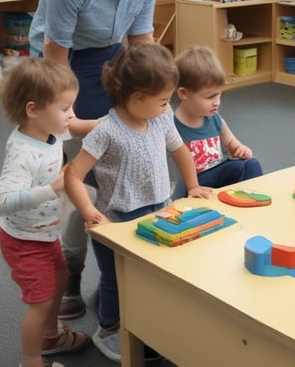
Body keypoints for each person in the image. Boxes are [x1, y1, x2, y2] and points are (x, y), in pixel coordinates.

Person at [29, 0, 177, 319]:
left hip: (114, 54)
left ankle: (133, 264)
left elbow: (142, 38)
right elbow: (57, 55)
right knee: (90, 174)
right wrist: (67, 122)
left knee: (139, 148)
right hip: (65, 61)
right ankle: (72, 272)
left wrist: (157, 93)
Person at [64, 43, 213, 362]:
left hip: (159, 210)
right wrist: (89, 211)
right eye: (162, 100)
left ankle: (147, 322)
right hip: (116, 221)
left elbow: (180, 151)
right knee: (116, 279)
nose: (167, 106)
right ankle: (108, 329)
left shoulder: (160, 119)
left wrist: (193, 184)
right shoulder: (107, 131)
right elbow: (73, 175)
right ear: (136, 98)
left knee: (154, 274)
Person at [0, 58, 93, 367]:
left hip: (46, 232)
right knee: (41, 302)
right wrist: (52, 189)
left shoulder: (51, 130)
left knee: (61, 278)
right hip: (24, 241)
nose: (71, 115)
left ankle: (50, 336)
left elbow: (78, 128)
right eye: (65, 108)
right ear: (33, 109)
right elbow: (3, 200)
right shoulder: (23, 153)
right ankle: (31, 360)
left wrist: (112, 123)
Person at [174, 46, 263, 190]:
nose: (217, 102)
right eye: (210, 96)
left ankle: (256, 197)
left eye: (219, 94)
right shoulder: (173, 125)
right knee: (237, 167)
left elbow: (231, 142)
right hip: (195, 182)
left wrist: (240, 149)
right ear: (184, 93)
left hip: (219, 174)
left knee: (251, 162)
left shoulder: (214, 118)